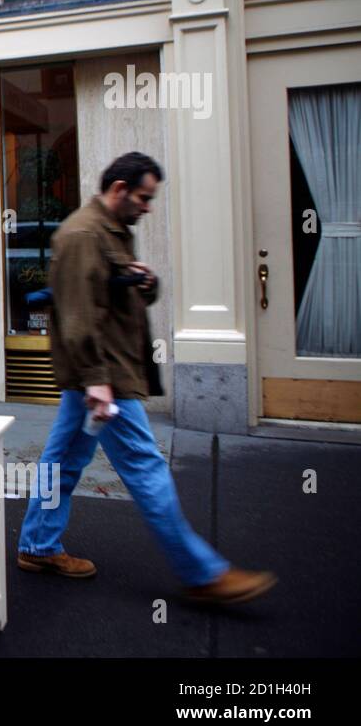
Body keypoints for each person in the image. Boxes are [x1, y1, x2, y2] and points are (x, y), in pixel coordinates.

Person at [16, 151, 276, 604]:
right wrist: (97, 381)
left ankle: (38, 545)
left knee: (63, 462)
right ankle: (203, 574)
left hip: (99, 373)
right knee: (145, 466)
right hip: (104, 375)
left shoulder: (113, 230)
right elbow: (78, 315)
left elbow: (111, 295)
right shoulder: (83, 234)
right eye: (143, 197)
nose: (148, 206)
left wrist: (145, 281)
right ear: (119, 190)